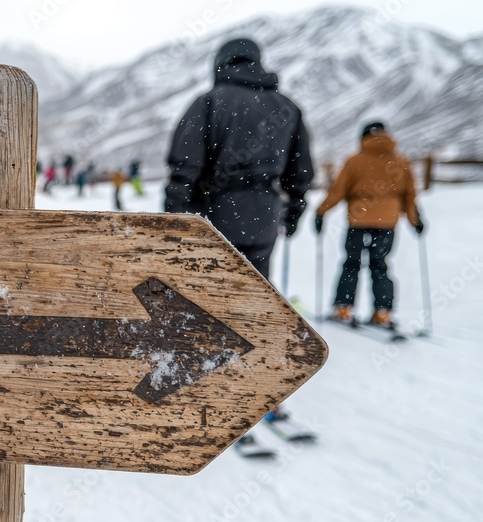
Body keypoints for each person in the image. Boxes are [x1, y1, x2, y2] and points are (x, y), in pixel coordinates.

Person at [164, 37, 313, 282]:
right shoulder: (288, 108)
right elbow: (301, 173)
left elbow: (185, 165)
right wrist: (293, 212)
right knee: (255, 294)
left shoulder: (209, 102)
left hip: (212, 218)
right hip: (265, 218)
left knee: (206, 297)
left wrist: (173, 214)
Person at [315, 121, 423, 327]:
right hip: (388, 222)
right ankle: (383, 313)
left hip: (359, 220)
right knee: (380, 265)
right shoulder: (400, 162)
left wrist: (321, 212)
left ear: (363, 137)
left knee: (351, 264)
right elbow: (409, 195)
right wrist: (415, 221)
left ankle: (344, 308)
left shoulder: (355, 161)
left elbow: (338, 191)